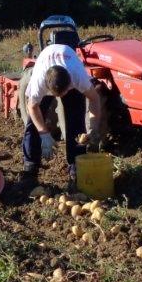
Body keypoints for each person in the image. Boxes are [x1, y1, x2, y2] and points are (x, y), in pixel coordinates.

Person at [22, 44, 102, 185]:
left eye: (64, 92)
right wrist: (44, 134)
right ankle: (30, 167)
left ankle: (76, 167)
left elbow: (94, 99)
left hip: (68, 59)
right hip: (46, 60)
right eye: (57, 95)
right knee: (33, 125)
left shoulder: (77, 76)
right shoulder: (39, 82)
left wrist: (93, 128)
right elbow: (32, 107)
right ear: (48, 88)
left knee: (76, 123)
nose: (61, 97)